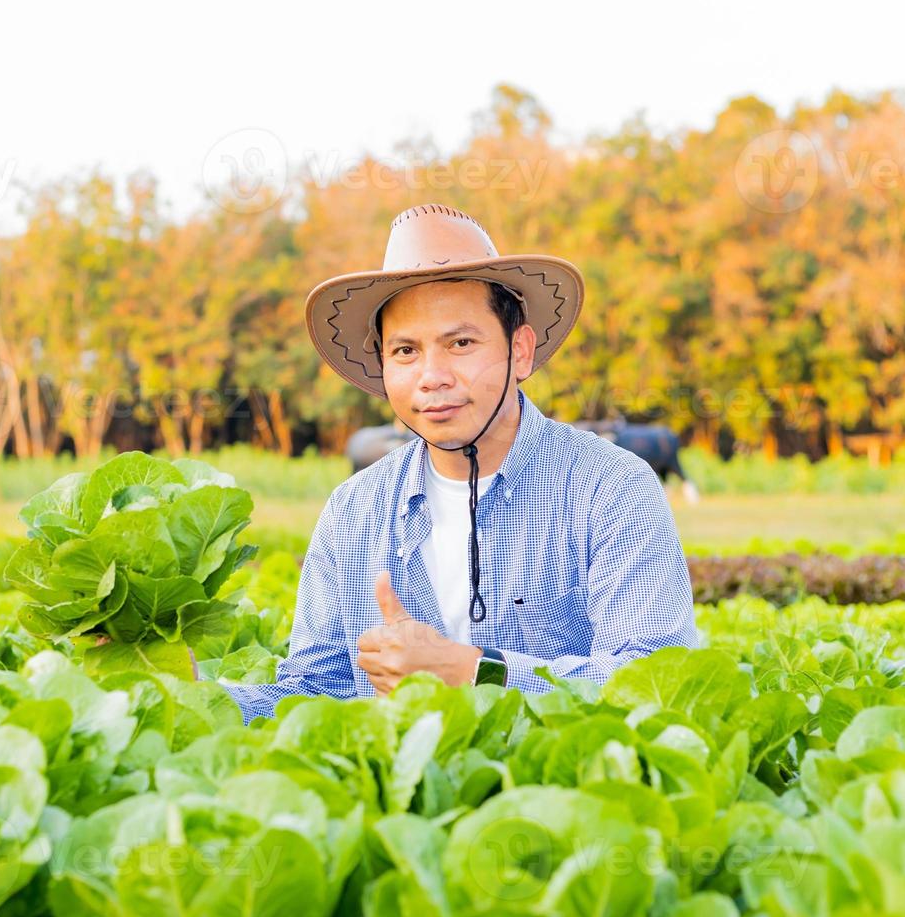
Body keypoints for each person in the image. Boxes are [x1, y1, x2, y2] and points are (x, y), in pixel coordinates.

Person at [217, 202, 698, 723]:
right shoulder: (353, 510)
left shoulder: (611, 488)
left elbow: (654, 679)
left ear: (520, 351)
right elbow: (312, 695)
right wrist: (190, 690)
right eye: (405, 351)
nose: (432, 375)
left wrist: (474, 671)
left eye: (461, 343)